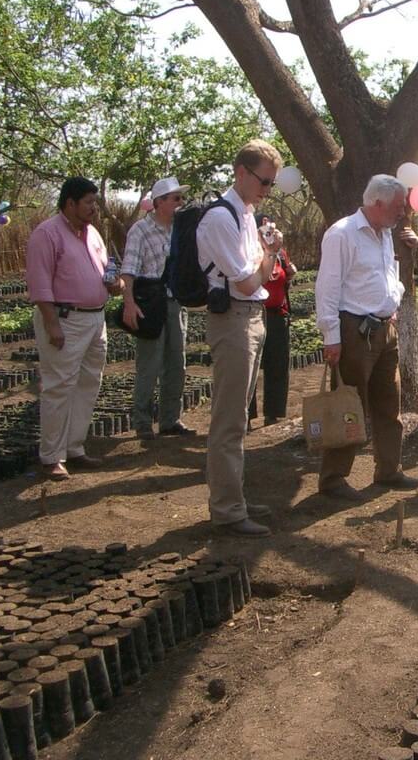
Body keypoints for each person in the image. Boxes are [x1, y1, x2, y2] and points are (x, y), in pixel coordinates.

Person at [197, 139, 284, 538]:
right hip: (233, 320)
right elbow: (251, 280)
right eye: (264, 181)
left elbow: (257, 275)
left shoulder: (245, 215)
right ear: (241, 173)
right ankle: (228, 510)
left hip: (250, 317)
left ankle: (235, 499)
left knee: (239, 420)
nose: (267, 190)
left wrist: (263, 257)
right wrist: (269, 253)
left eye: (271, 183)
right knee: (229, 421)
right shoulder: (221, 218)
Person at [315, 174, 418, 499]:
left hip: (384, 329)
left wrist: (393, 299)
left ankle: (388, 469)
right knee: (350, 405)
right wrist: (331, 336)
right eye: (398, 206)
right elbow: (327, 288)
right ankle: (333, 479)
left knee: (389, 403)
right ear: (377, 203)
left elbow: (389, 274)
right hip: (353, 331)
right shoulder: (343, 234)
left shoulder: (385, 234)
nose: (402, 212)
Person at [25, 177, 124, 481]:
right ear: (70, 203)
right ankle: (52, 456)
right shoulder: (47, 234)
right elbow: (40, 284)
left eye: (95, 202)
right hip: (65, 319)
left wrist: (114, 284)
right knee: (59, 387)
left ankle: (74, 447)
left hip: (95, 319)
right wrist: (52, 324)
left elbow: (106, 270)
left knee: (88, 384)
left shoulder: (92, 233)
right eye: (89, 203)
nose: (94, 208)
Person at [121, 176, 195, 441]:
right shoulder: (140, 230)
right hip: (150, 303)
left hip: (176, 303)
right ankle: (142, 421)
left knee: (177, 363)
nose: (180, 202)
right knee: (149, 364)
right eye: (175, 198)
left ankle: (170, 419)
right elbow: (128, 271)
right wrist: (129, 303)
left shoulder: (180, 229)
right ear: (159, 202)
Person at [248, 214, 297, 429]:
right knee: (249, 366)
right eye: (263, 228)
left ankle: (274, 412)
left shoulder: (280, 253)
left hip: (278, 314)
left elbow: (285, 275)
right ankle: (246, 415)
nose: (268, 232)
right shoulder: (251, 252)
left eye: (270, 228)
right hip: (255, 314)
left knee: (277, 363)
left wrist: (290, 272)